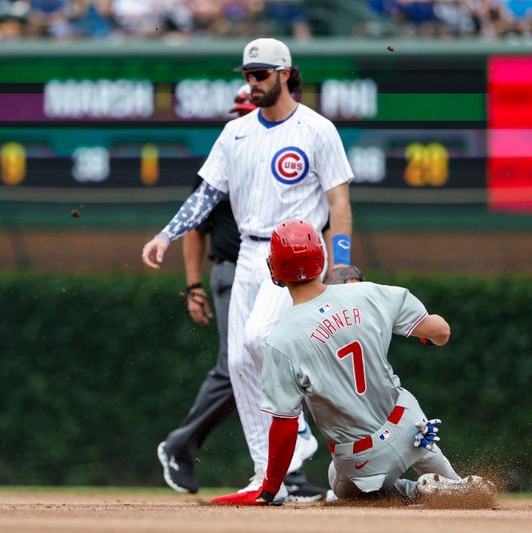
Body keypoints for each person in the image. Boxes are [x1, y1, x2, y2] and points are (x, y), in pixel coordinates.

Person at [142, 37, 355, 498]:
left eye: (260, 74)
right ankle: (268, 478)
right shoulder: (235, 134)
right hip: (247, 257)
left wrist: (342, 262)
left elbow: (339, 200)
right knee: (238, 361)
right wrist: (165, 234)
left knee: (260, 339)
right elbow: (205, 196)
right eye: (247, 74)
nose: (251, 82)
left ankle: (297, 438)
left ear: (285, 74)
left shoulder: (317, 130)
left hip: (297, 256)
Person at [210, 220, 496, 506]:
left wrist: (269, 489)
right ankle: (454, 487)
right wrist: (426, 337)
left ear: (276, 270)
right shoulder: (370, 293)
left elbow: (284, 427)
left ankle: (416, 491)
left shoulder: (280, 339)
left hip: (364, 459)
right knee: (461, 495)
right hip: (411, 427)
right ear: (321, 259)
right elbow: (440, 331)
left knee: (338, 484)